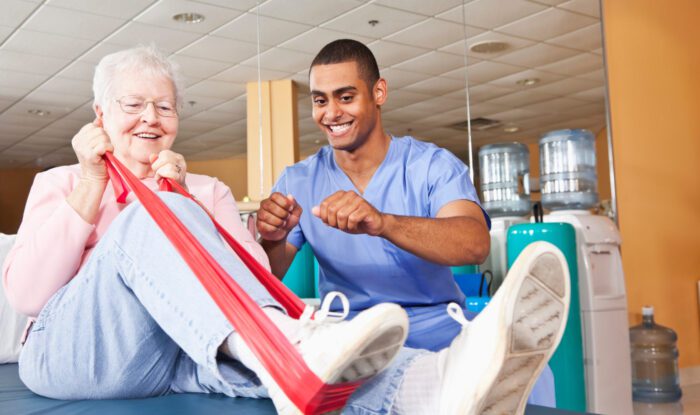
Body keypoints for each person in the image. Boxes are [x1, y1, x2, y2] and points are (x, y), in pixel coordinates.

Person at [3, 45, 569, 415]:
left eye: (165, 107)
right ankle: (297, 346)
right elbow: (28, 296)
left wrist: (186, 202)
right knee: (159, 218)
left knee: (260, 356)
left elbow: (247, 285)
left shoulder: (207, 192)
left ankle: (428, 383)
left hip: (168, 356)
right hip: (72, 352)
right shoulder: (64, 182)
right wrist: (98, 185)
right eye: (133, 105)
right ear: (100, 116)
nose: (151, 118)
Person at [256, 39, 556, 406]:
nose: (331, 113)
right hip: (350, 337)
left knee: (535, 379)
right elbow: (264, 277)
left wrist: (382, 222)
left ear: (378, 92)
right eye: (320, 100)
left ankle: (500, 332)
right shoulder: (297, 181)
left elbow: (474, 243)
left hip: (435, 328)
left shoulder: (432, 165)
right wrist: (271, 238)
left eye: (345, 97)